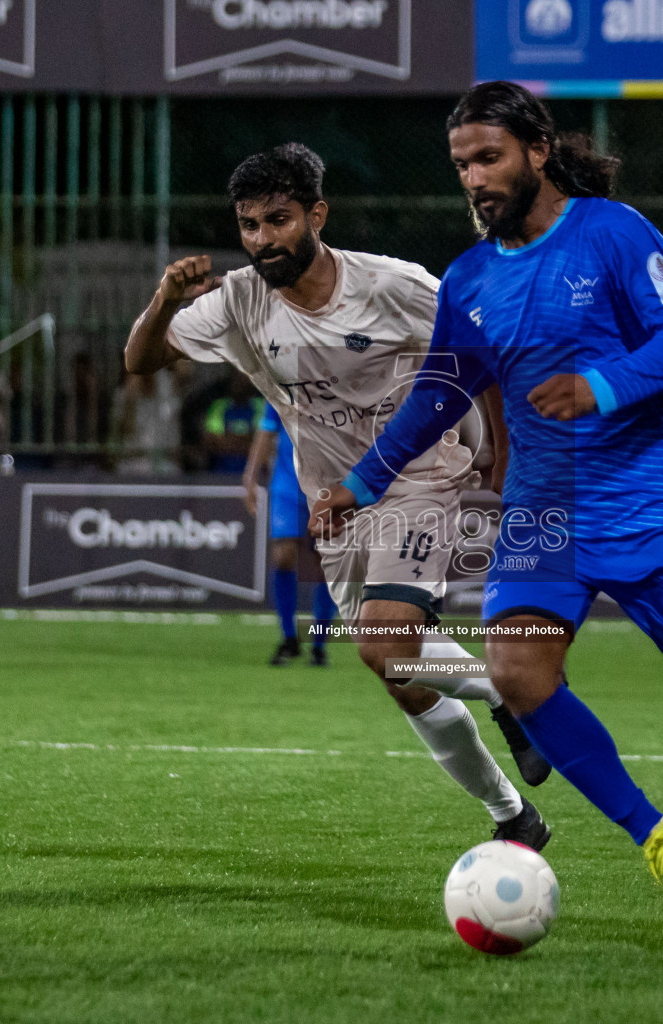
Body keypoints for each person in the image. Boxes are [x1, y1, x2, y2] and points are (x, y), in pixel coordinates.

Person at [314, 82, 663, 942]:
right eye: (461, 166)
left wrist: (599, 385)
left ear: (536, 150)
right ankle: (661, 839)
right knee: (521, 678)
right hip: (543, 514)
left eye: (488, 158)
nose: (475, 180)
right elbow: (439, 395)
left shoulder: (611, 231)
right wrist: (364, 483)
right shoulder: (472, 278)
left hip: (645, 501)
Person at [123, 142, 553, 849]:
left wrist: (503, 455)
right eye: (250, 225)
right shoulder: (237, 303)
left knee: (386, 641)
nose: (263, 240)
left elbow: (484, 353)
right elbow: (139, 360)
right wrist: (168, 296)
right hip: (336, 503)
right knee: (402, 676)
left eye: (279, 220)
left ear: (317, 214)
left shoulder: (393, 285)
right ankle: (513, 815)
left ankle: (511, 695)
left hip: (419, 475)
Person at [241, 402, 338, 666]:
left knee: (326, 562)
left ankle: (319, 644)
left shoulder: (339, 381)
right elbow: (266, 429)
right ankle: (288, 638)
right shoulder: (281, 383)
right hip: (287, 483)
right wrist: (250, 476)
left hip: (328, 485)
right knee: (283, 556)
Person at [204, 371, 265, 474]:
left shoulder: (260, 406)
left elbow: (264, 442)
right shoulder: (219, 406)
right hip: (222, 475)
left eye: (244, 379)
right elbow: (212, 442)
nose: (240, 383)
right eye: (237, 379)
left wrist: (228, 440)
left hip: (253, 475)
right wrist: (248, 442)